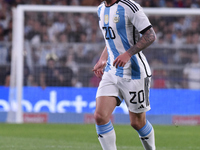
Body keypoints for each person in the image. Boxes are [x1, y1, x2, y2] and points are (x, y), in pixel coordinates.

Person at [92, 0, 156, 150]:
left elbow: (150, 35)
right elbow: (112, 39)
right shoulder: (101, 9)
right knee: (100, 116)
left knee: (137, 123)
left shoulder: (129, 7)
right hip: (112, 71)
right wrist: (103, 58)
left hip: (134, 73)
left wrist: (128, 54)